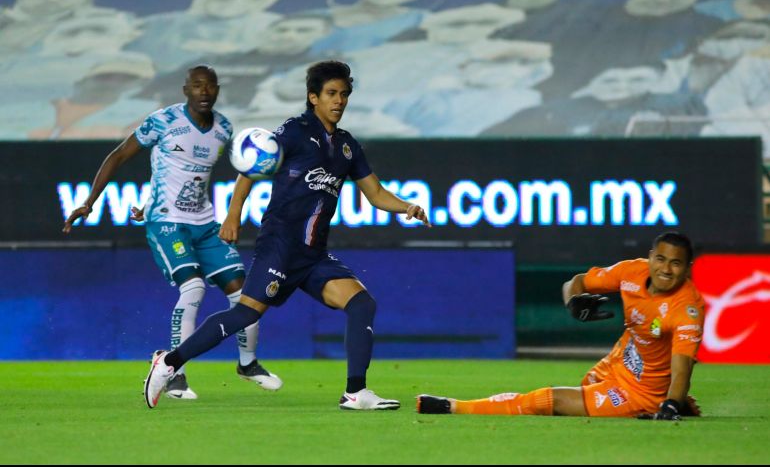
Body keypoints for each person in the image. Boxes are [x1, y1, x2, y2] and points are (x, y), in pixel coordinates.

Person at [143, 60, 431, 410]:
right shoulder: (295, 132)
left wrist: (407, 207)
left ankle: (356, 392)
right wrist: (233, 215)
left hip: (313, 255)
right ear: (313, 97)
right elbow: (251, 167)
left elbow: (375, 194)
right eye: (330, 94)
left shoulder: (347, 147)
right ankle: (169, 362)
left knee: (361, 304)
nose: (338, 101)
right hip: (279, 246)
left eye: (343, 94)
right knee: (245, 314)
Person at [62, 65, 281, 400]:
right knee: (193, 288)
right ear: (185, 91)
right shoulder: (164, 121)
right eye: (197, 86)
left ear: (217, 90)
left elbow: (212, 175)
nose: (204, 92)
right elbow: (119, 155)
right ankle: (174, 373)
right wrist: (89, 202)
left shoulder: (223, 128)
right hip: (166, 221)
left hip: (205, 223)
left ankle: (248, 364)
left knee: (243, 293)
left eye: (209, 86)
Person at [417, 232, 705, 420]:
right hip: (616, 365)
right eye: (661, 259)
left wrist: (671, 404)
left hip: (640, 390)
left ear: (688, 267)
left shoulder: (687, 310)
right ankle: (667, 401)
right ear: (651, 256)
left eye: (676, 263)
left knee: (551, 401)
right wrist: (573, 302)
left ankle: (453, 406)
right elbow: (575, 282)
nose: (665, 269)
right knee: (580, 399)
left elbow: (682, 368)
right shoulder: (632, 271)